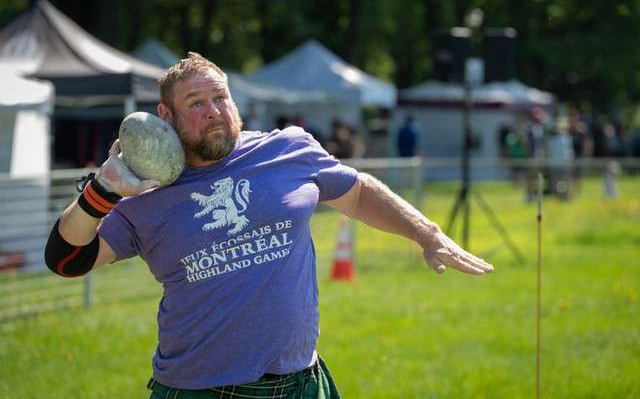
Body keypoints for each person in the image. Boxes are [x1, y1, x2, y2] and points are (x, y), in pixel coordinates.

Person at [44, 52, 493, 398]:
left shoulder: (287, 150)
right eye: (196, 103)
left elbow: (356, 192)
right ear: (166, 116)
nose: (214, 111)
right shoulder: (147, 192)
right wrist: (102, 190)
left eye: (220, 97)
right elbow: (67, 260)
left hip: (300, 382)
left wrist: (426, 233)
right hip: (200, 390)